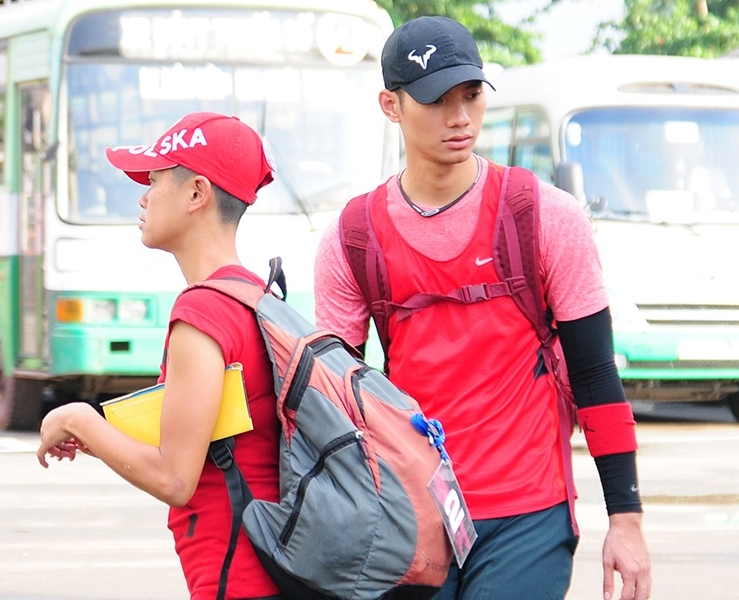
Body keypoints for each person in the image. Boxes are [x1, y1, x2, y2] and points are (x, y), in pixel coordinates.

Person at [313, 16, 652, 600]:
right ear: (390, 105)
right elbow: (337, 400)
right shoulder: (352, 237)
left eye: (470, 96)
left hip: (528, 510)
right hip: (410, 514)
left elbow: (596, 376)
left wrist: (626, 517)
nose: (460, 117)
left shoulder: (544, 216)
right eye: (436, 101)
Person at [36, 112, 282, 600]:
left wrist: (79, 418)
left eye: (153, 181)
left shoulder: (201, 313)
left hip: (236, 576)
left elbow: (175, 478)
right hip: (272, 565)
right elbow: (219, 436)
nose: (143, 198)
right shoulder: (256, 296)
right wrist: (100, 437)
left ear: (196, 193)